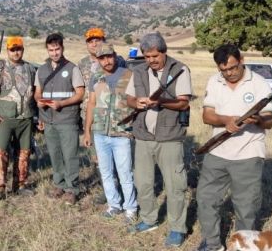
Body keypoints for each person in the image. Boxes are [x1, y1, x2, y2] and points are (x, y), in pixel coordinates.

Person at [194, 44, 272, 251]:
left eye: (233, 67)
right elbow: (207, 116)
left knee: (246, 206)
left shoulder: (259, 83)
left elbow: (269, 121)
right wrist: (226, 120)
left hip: (249, 153)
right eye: (224, 70)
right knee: (205, 198)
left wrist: (258, 119)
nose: (229, 73)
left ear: (242, 61)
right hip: (217, 151)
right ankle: (212, 243)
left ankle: (243, 245)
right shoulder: (214, 81)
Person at [126, 32, 192, 247]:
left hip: (169, 136)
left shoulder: (180, 69)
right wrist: (136, 103)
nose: (151, 60)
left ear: (164, 52)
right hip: (143, 136)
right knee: (143, 182)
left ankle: (177, 228)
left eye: (155, 56)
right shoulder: (138, 71)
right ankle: (148, 219)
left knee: (175, 186)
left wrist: (160, 102)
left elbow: (183, 103)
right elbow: (129, 98)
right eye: (147, 56)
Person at [82, 44, 138, 222]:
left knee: (125, 173)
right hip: (100, 133)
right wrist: (87, 131)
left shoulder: (129, 75)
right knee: (105, 172)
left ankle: (130, 208)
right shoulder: (96, 77)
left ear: (114, 55)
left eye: (109, 56)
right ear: (98, 60)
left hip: (122, 133)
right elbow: (91, 104)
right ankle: (114, 205)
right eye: (102, 58)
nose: (106, 61)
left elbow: (136, 103)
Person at [0, 36, 37, 202]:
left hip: (26, 119)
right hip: (4, 119)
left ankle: (20, 185)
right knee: (1, 152)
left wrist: (38, 115)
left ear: (23, 50)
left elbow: (36, 94)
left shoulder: (30, 68)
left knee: (24, 153)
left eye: (18, 49)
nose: (16, 52)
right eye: (12, 49)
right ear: (7, 50)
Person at [34, 32, 85, 205]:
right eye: (51, 50)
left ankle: (72, 189)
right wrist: (39, 102)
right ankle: (59, 185)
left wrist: (62, 103)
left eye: (57, 49)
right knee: (55, 154)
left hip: (67, 118)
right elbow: (37, 93)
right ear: (47, 50)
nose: (54, 53)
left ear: (62, 48)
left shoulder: (72, 68)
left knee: (70, 155)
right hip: (49, 120)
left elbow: (80, 94)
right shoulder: (41, 70)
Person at [77, 27, 127, 205]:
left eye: (97, 40)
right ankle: (109, 191)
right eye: (90, 41)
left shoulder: (118, 60)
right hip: (92, 116)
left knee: (120, 157)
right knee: (98, 157)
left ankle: (124, 190)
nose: (94, 44)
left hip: (115, 117)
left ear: (104, 41)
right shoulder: (82, 64)